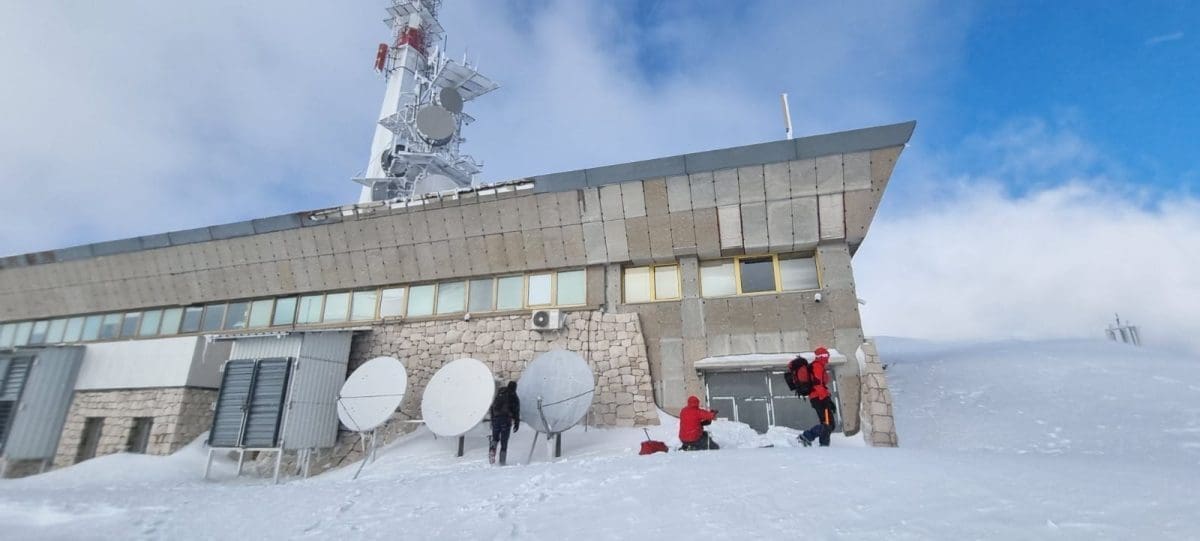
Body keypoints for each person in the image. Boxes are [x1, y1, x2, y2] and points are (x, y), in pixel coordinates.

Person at [798, 346, 836, 447]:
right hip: (819, 398)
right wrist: (826, 399)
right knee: (828, 424)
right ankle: (807, 436)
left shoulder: (818, 366)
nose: (828, 358)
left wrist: (828, 399)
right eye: (827, 355)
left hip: (818, 397)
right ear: (822, 356)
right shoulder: (817, 366)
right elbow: (818, 384)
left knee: (827, 424)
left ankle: (823, 445)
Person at [489, 381, 521, 465]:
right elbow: (516, 410)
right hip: (506, 420)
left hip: (496, 419)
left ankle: (492, 450)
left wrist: (492, 420)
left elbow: (492, 407)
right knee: (504, 441)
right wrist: (517, 423)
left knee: (495, 438)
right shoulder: (513, 396)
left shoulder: (500, 393)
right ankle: (502, 462)